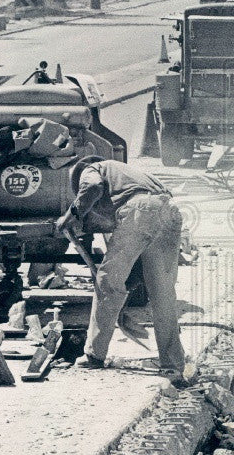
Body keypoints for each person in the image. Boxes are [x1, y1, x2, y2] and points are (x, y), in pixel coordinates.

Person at [55, 157, 185, 378]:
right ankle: (172, 364)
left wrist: (70, 216)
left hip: (140, 211)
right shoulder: (128, 173)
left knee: (106, 282)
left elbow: (92, 187)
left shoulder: (91, 169)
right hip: (170, 210)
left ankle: (94, 355)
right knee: (163, 293)